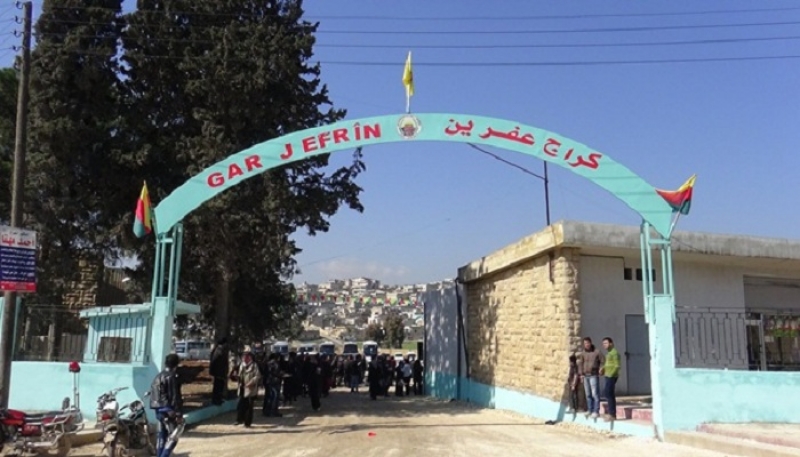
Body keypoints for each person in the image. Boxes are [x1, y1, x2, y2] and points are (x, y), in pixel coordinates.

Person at [150, 354, 183, 457]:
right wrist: (178, 413)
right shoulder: (172, 377)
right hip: (169, 411)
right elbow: (174, 396)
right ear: (176, 364)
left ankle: (159, 454)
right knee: (174, 436)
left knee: (162, 434)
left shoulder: (158, 376)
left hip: (158, 411)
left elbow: (154, 395)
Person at [578, 336, 604, 419]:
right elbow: (580, 364)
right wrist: (581, 374)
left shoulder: (597, 352)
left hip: (593, 375)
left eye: (588, 343)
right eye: (585, 343)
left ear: (590, 343)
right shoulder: (583, 353)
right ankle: (590, 409)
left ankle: (596, 411)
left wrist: (601, 368)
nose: (586, 345)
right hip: (585, 375)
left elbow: (603, 361)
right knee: (588, 394)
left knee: (595, 394)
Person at [234, 347, 261, 427]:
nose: (245, 357)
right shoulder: (241, 365)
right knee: (240, 405)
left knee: (249, 407)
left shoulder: (254, 365)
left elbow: (257, 376)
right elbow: (239, 375)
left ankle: (247, 422)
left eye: (247, 356)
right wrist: (237, 377)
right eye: (244, 356)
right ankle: (239, 419)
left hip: (250, 389)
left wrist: (251, 382)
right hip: (242, 388)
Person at [601, 337, 621, 422]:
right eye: (603, 344)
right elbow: (607, 364)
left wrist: (611, 375)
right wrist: (603, 369)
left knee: (609, 393)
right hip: (607, 375)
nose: (604, 345)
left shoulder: (614, 353)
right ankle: (611, 413)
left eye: (606, 343)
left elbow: (617, 366)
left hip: (611, 376)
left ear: (611, 343)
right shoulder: (608, 353)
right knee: (608, 393)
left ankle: (612, 414)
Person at [209, 337, 229, 406]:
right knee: (218, 386)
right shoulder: (219, 351)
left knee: (219, 386)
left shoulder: (219, 350)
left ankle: (218, 399)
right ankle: (216, 400)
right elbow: (215, 362)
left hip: (220, 372)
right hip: (219, 373)